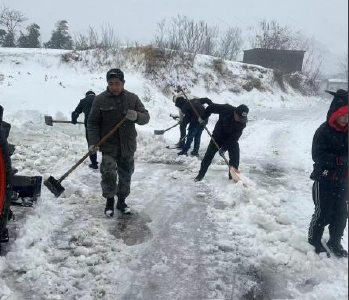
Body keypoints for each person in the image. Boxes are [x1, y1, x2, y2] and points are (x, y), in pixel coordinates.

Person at [87, 69, 150, 216]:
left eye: (117, 83)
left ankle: (121, 201)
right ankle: (109, 201)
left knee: (126, 175)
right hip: (108, 145)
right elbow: (93, 123)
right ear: (107, 83)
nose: (114, 87)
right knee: (108, 174)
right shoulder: (100, 100)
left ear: (123, 83)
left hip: (127, 146)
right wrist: (93, 142)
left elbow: (146, 117)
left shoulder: (132, 99)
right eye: (111, 83)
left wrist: (136, 116)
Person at [308, 89, 348, 258]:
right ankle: (314, 239)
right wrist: (338, 160)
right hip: (324, 179)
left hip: (343, 181)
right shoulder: (323, 131)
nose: (346, 119)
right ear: (335, 114)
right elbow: (317, 156)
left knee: (341, 213)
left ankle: (335, 241)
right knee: (323, 211)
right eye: (344, 115)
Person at [195, 103, 249, 182]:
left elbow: (234, 138)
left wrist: (224, 148)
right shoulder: (226, 109)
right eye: (239, 117)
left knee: (235, 159)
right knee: (208, 156)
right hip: (217, 137)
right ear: (235, 112)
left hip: (230, 140)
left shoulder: (242, 123)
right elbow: (211, 107)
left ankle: (233, 179)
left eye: (242, 118)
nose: (240, 119)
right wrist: (203, 117)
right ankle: (200, 175)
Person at [72, 90, 98, 169]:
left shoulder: (83, 101)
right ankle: (108, 162)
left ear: (86, 95)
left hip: (90, 126)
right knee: (104, 143)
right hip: (101, 125)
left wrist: (74, 120)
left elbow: (75, 112)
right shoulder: (99, 99)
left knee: (91, 144)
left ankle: (94, 163)